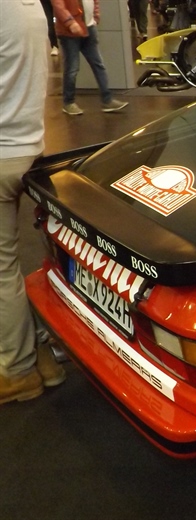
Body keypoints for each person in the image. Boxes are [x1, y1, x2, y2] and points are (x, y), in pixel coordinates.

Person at [1, 0, 68, 406]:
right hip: (27, 147)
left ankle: (18, 371)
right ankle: (41, 356)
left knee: (1, 270)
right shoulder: (29, 7)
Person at [51, 0, 129, 115]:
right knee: (72, 68)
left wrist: (95, 16)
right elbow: (58, 5)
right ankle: (69, 102)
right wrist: (70, 23)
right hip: (69, 33)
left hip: (89, 27)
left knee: (98, 64)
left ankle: (107, 100)